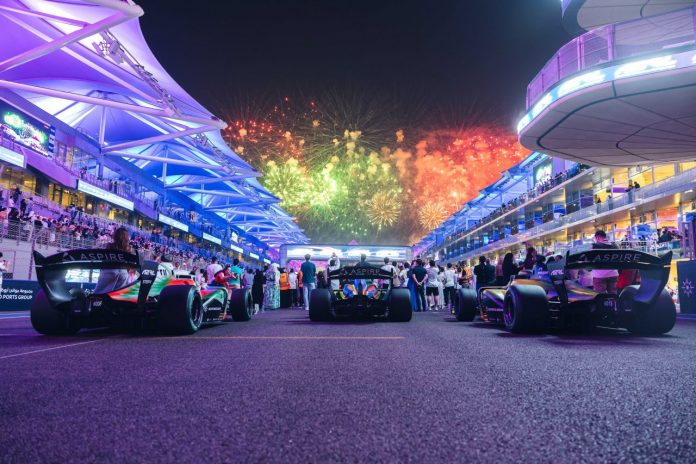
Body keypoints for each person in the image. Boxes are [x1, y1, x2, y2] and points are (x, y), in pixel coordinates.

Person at [94, 227, 132, 293]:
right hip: (123, 273)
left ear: (115, 237)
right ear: (127, 239)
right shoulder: (128, 251)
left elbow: (103, 263)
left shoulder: (109, 247)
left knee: (99, 293)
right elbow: (129, 268)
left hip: (109, 271)